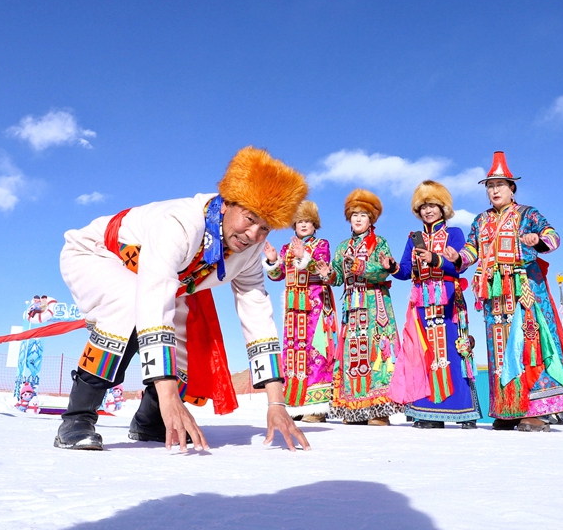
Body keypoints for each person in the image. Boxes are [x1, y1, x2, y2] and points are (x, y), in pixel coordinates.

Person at [55, 146, 311, 452]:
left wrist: (276, 403)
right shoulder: (181, 223)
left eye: (265, 228)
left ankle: (150, 421)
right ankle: (77, 419)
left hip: (155, 280)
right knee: (129, 306)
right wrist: (170, 397)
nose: (253, 235)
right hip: (96, 253)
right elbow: (153, 299)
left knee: (185, 333)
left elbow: (257, 314)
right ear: (227, 203)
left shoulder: (251, 251)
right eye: (249, 218)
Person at [445, 152, 563, 432]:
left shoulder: (528, 214)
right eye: (490, 186)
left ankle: (534, 410)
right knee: (500, 349)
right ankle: (508, 409)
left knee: (529, 345)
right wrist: (457, 257)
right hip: (494, 295)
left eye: (500, 185)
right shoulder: (480, 221)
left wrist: (537, 239)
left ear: (511, 188)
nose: (494, 191)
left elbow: (553, 237)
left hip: (524, 291)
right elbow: (471, 250)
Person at [389, 180, 481, 429]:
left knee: (455, 351)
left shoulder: (454, 233)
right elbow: (405, 271)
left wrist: (436, 259)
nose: (428, 210)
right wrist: (392, 267)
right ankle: (429, 413)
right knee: (424, 353)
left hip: (449, 300)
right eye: (423, 206)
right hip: (421, 301)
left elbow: (459, 266)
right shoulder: (414, 238)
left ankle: (464, 411)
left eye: (432, 205)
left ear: (443, 208)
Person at [317, 189, 402, 425]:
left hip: (375, 304)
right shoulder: (342, 247)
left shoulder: (379, 243)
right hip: (352, 307)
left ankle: (378, 411)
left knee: (377, 353)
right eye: (354, 214)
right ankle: (353, 410)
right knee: (351, 356)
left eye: (363, 215)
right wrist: (327, 274)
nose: (358, 219)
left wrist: (360, 267)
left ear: (371, 219)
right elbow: (337, 278)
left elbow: (383, 271)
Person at [263, 200, 337, 422]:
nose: (303, 225)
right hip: (293, 310)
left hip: (315, 305)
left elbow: (321, 268)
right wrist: (273, 261)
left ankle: (316, 409)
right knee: (293, 353)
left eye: (307, 221)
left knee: (315, 352)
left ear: (315, 225)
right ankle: (296, 405)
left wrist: (305, 256)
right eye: (299, 221)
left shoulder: (322, 244)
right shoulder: (286, 249)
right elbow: (278, 276)